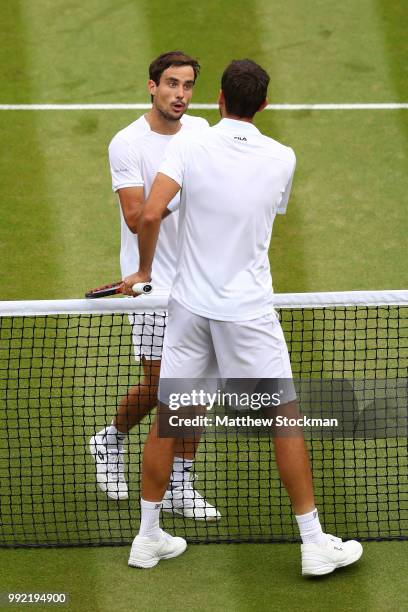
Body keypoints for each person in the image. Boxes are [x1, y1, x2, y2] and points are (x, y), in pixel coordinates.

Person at [122, 59, 364, 575]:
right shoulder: (282, 157)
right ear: (265, 105)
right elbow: (259, 212)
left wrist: (144, 270)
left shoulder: (188, 144)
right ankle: (314, 542)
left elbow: (147, 214)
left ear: (219, 99)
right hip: (247, 314)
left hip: (188, 308)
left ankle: (147, 539)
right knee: (283, 419)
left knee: (172, 417)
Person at [89, 51, 220, 521]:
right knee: (163, 385)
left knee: (196, 389)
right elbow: (134, 216)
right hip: (149, 285)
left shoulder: (204, 132)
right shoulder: (127, 143)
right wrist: (179, 185)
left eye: (187, 86)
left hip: (202, 279)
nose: (180, 95)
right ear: (151, 86)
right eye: (171, 84)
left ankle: (183, 481)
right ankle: (110, 440)